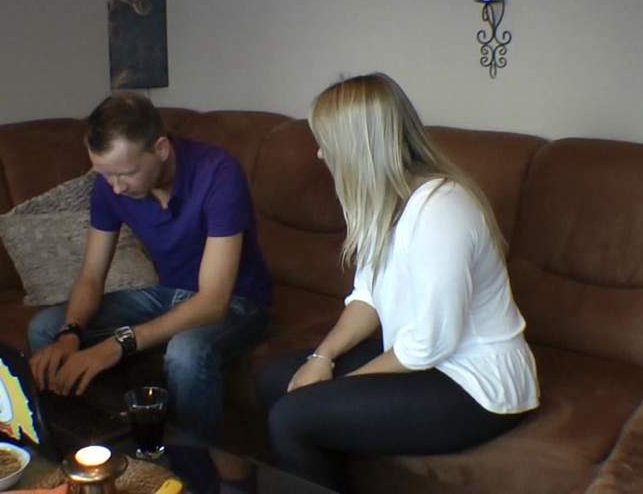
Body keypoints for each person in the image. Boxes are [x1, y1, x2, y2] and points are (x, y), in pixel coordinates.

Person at [258, 73, 539, 491]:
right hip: (426, 363)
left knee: (292, 417)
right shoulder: (384, 203)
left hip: (476, 384)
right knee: (273, 379)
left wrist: (335, 391)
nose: (319, 153)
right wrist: (321, 358)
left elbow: (430, 343)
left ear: (358, 147)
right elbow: (366, 299)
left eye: (326, 142)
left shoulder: (442, 210)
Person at [28, 93, 272, 444]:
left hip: (239, 302)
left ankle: (193, 465)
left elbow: (212, 302)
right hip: (165, 294)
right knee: (46, 327)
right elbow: (91, 276)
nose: (115, 188)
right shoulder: (110, 186)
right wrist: (71, 331)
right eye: (105, 175)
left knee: (186, 353)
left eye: (125, 174)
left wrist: (117, 344)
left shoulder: (218, 173)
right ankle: (88, 443)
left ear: (161, 148)